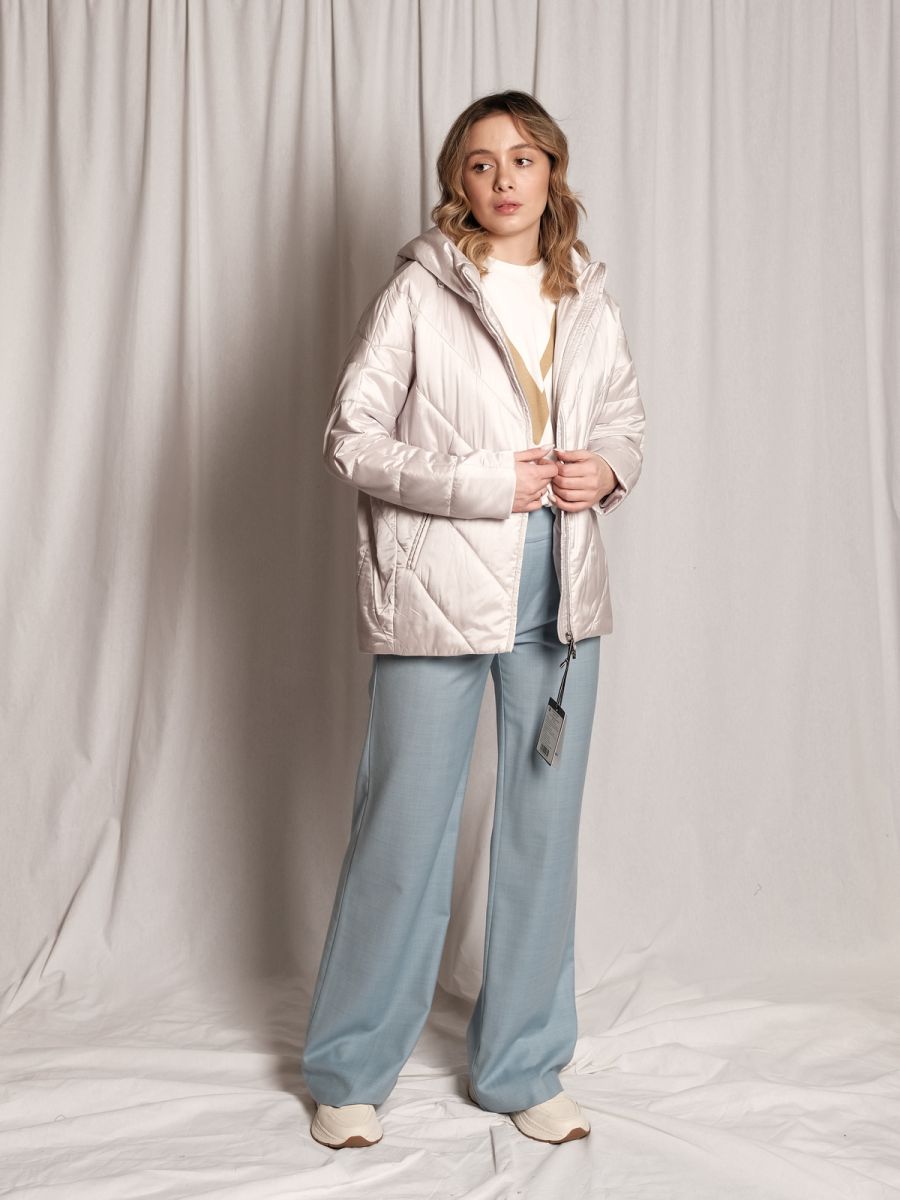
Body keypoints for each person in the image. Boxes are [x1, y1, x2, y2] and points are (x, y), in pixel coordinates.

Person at [302, 90, 645, 1150]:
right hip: (437, 585)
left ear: (552, 173)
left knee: (542, 835)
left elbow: (625, 421)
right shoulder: (419, 291)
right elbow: (351, 437)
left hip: (561, 588)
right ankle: (350, 1072)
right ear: (459, 178)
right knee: (404, 826)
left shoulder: (587, 293)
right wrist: (486, 483)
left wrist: (608, 469)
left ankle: (523, 1067)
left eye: (524, 158)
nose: (504, 179)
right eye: (483, 162)